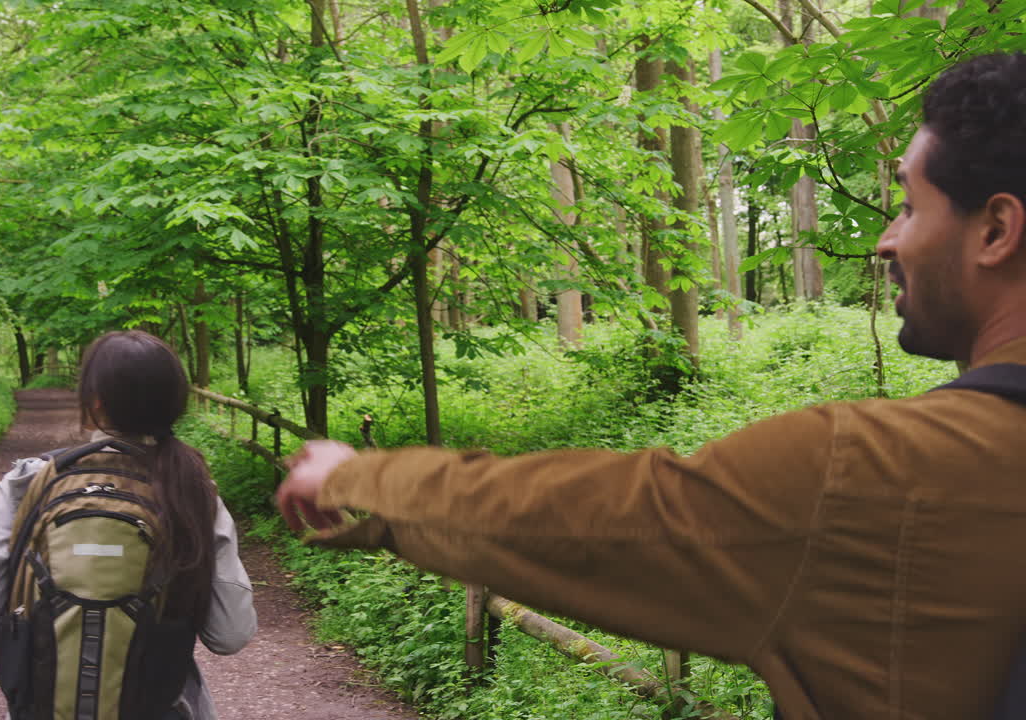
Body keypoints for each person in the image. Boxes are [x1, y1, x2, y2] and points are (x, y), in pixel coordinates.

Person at [276, 52, 1026, 720]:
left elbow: (602, 516)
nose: (886, 238)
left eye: (907, 204)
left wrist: (359, 478)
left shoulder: (871, 473)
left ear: (995, 230)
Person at [0, 330, 257, 720]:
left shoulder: (29, 483)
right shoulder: (192, 490)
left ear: (94, 404)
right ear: (176, 403)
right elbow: (230, 634)